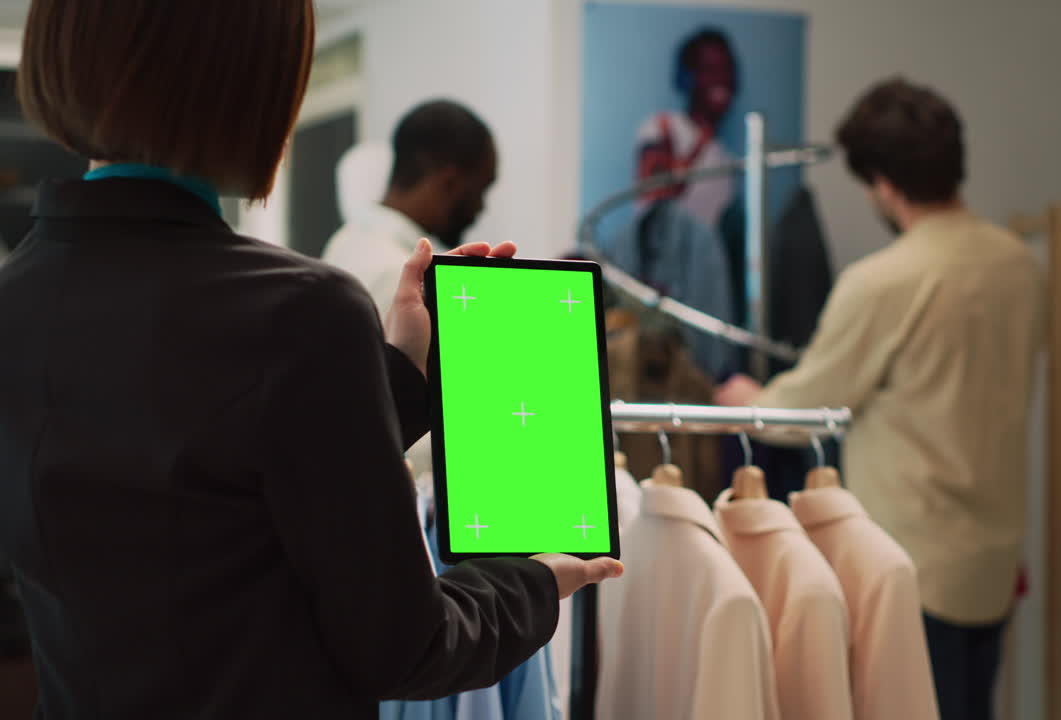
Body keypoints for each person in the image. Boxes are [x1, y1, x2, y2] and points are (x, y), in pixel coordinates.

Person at [0, 3, 621, 719]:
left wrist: (398, 379)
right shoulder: (297, 312)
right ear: (256, 87)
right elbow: (406, 647)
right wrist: (537, 581)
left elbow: (213, 485)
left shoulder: (16, 299)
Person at [715, 77, 1045, 720]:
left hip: (910, 565)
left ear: (884, 182)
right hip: (992, 562)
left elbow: (800, 411)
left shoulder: (885, 280)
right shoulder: (1018, 264)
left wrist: (746, 397)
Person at [324, 100, 497, 316]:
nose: (481, 208)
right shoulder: (404, 280)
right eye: (480, 190)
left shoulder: (343, 245)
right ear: (449, 183)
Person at [634, 27, 738, 230]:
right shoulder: (661, 126)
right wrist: (699, 145)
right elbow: (658, 196)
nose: (721, 79)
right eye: (709, 70)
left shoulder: (724, 155)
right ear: (686, 77)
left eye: (727, 70)